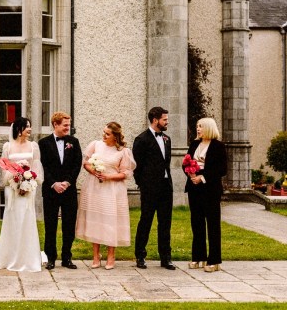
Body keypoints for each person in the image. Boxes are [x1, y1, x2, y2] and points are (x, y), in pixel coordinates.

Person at [77, 122, 136, 270]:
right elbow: (85, 163)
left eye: (107, 134)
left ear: (115, 136)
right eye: (103, 132)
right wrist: (94, 172)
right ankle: (96, 256)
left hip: (113, 190)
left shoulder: (123, 151)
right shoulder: (95, 145)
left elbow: (126, 173)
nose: (104, 135)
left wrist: (108, 177)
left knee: (110, 220)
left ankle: (111, 255)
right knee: (95, 219)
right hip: (94, 186)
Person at [0, 117, 44, 272]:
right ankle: (10, 256)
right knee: (14, 219)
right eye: (27, 127)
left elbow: (36, 166)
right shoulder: (8, 146)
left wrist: (29, 183)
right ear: (19, 129)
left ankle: (28, 258)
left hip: (29, 187)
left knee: (26, 219)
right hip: (12, 187)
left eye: (30, 126)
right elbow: (5, 169)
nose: (29, 129)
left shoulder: (33, 146)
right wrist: (15, 181)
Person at [38, 111, 83, 270]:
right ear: (55, 124)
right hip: (51, 190)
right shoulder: (43, 143)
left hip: (68, 190)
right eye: (65, 125)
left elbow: (77, 164)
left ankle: (67, 257)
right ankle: (51, 258)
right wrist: (54, 183)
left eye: (68, 125)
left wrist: (68, 182)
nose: (67, 128)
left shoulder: (74, 142)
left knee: (69, 225)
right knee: (50, 225)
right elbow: (43, 166)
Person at [133, 106, 175, 270]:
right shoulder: (141, 140)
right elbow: (137, 165)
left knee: (165, 223)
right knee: (146, 221)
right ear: (155, 120)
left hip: (166, 187)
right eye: (164, 119)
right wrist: (143, 184)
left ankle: (166, 258)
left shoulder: (167, 139)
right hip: (150, 188)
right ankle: (140, 256)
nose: (167, 122)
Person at [183, 118, 227, 273]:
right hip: (194, 188)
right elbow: (186, 163)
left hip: (210, 189)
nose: (198, 129)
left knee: (213, 224)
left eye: (200, 126)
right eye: (197, 126)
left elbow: (222, 169)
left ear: (208, 128)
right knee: (197, 223)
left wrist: (202, 177)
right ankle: (198, 256)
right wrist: (191, 175)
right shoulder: (194, 144)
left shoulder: (218, 146)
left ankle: (214, 260)